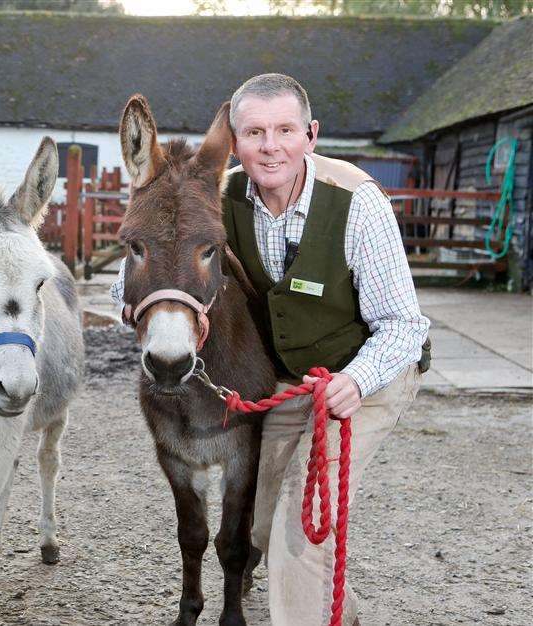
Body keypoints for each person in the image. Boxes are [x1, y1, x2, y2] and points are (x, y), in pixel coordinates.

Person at [111, 73, 430, 625]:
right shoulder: (213, 193)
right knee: (258, 528)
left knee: (294, 534)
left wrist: (355, 381)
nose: (270, 146)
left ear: (311, 134)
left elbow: (405, 325)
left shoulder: (358, 204)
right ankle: (339, 613)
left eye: (285, 130)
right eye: (254, 132)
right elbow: (137, 272)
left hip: (365, 375)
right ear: (234, 142)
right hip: (286, 383)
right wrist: (146, 303)